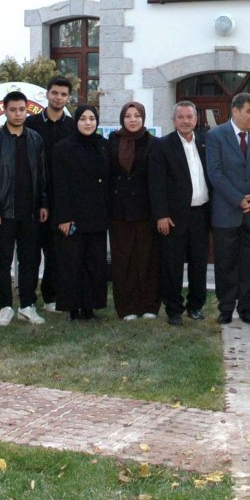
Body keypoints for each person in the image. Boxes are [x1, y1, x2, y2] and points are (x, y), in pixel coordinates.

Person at [206, 92, 250, 325]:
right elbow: (215, 173)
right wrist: (238, 199)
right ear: (235, 111)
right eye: (249, 111)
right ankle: (225, 308)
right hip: (226, 213)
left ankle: (247, 307)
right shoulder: (216, 135)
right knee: (225, 264)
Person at [0, 91, 49, 326]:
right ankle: (5, 307)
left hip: (30, 211)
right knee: (2, 260)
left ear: (27, 110)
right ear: (4, 110)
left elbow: (42, 174)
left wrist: (43, 203)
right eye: (13, 109)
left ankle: (27, 305)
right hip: (3, 212)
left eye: (22, 109)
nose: (18, 114)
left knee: (30, 260)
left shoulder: (35, 139)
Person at [149, 101, 211, 325]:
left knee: (199, 263)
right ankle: (174, 309)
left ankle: (196, 306)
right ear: (174, 120)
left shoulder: (206, 142)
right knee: (172, 264)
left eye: (189, 117)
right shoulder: (162, 145)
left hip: (201, 214)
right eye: (181, 117)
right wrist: (161, 215)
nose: (185, 121)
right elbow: (155, 184)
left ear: (196, 119)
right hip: (173, 216)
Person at [53, 105, 110, 321]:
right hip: (73, 217)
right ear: (76, 122)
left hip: (97, 216)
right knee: (71, 264)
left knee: (94, 264)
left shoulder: (103, 145)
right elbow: (60, 184)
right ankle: (72, 308)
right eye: (83, 118)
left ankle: (90, 307)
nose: (88, 123)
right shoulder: (63, 148)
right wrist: (64, 217)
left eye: (92, 118)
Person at [26, 77, 75, 313]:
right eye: (55, 93)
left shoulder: (72, 126)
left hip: (62, 199)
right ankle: (28, 300)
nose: (58, 98)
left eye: (63, 94)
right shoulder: (31, 124)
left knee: (56, 252)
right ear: (47, 94)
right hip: (34, 198)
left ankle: (51, 296)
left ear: (68, 98)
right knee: (32, 251)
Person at [109, 101, 160, 320]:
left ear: (143, 118)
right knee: (123, 259)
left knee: (147, 258)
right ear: (122, 118)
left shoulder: (153, 143)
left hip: (146, 210)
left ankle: (149, 305)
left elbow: (158, 180)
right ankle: (127, 307)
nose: (133, 119)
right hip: (119, 211)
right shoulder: (112, 141)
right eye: (128, 116)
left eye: (137, 115)